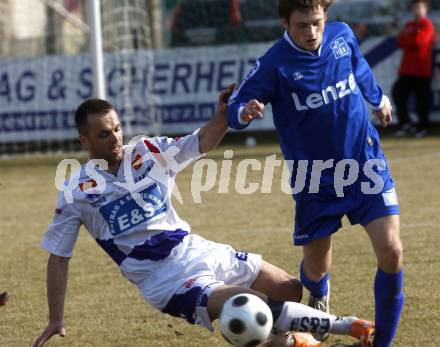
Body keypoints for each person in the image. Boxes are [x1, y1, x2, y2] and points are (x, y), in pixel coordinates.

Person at [33, 87, 374, 347]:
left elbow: (202, 142)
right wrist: (55, 317)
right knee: (248, 306)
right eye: (104, 134)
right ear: (84, 140)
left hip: (195, 249)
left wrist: (224, 115)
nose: (116, 138)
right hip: (164, 280)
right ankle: (351, 326)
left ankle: (282, 341)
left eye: (118, 128)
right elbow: (58, 258)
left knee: (287, 288)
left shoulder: (147, 152)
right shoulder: (77, 191)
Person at [227, 1, 403, 347]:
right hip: (315, 179)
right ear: (285, 23)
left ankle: (382, 343)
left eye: (317, 23)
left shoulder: (342, 35)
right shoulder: (274, 64)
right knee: (316, 267)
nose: (311, 32)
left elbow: (359, 65)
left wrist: (378, 98)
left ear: (326, 17)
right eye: (302, 26)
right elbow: (235, 107)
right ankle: (319, 294)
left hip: (365, 164)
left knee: (392, 252)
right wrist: (244, 112)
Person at [393, 0, 435, 137]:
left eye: (419, 8)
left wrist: (409, 37)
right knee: (398, 93)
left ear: (425, 10)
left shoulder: (427, 25)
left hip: (421, 69)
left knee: (421, 99)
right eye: (414, 8)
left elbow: (419, 41)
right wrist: (411, 37)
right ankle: (405, 123)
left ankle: (424, 126)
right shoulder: (409, 25)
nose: (416, 10)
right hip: (406, 69)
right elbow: (400, 41)